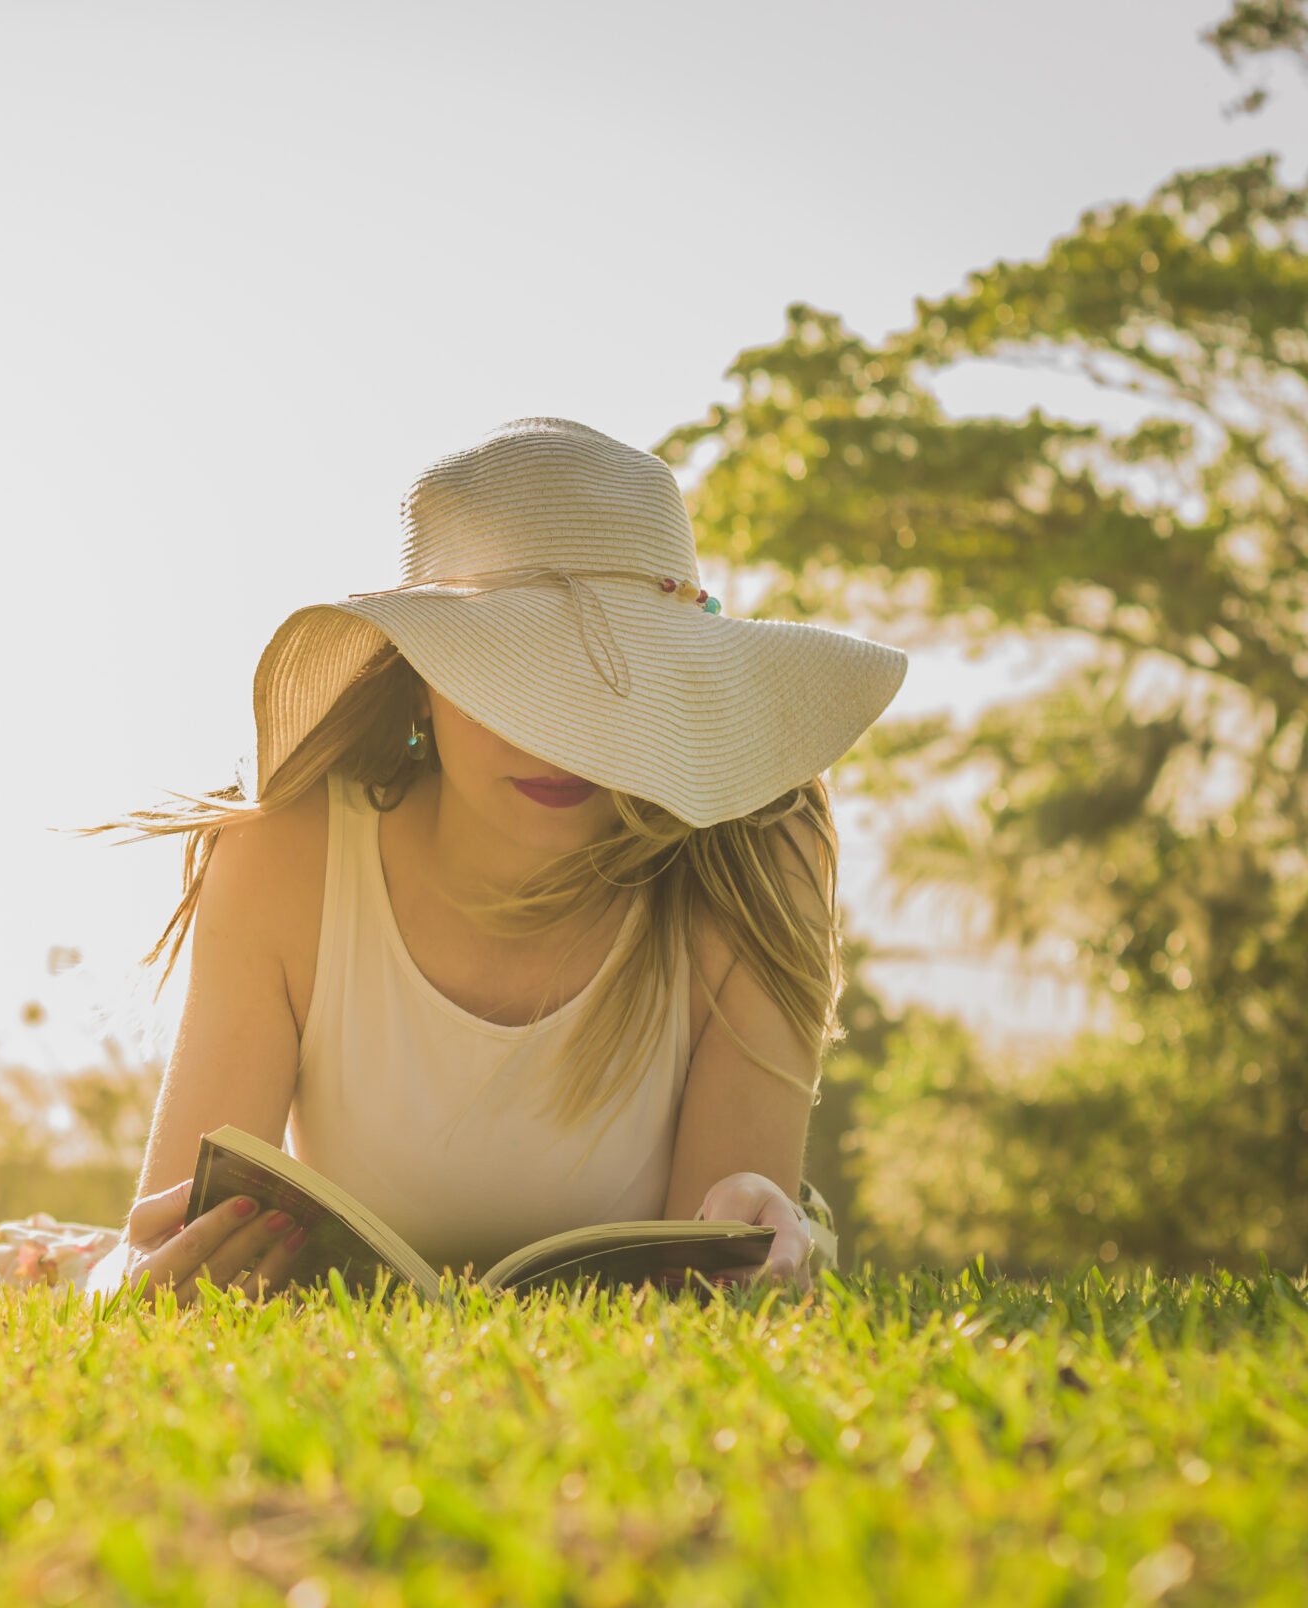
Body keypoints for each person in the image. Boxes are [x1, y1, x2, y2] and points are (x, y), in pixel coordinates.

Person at [110, 418, 906, 1300]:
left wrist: (752, 1239)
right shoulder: (283, 856)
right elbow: (181, 1249)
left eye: (616, 680)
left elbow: (699, 1293)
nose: (560, 742)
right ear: (419, 674)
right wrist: (156, 1276)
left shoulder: (753, 859)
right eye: (514, 679)